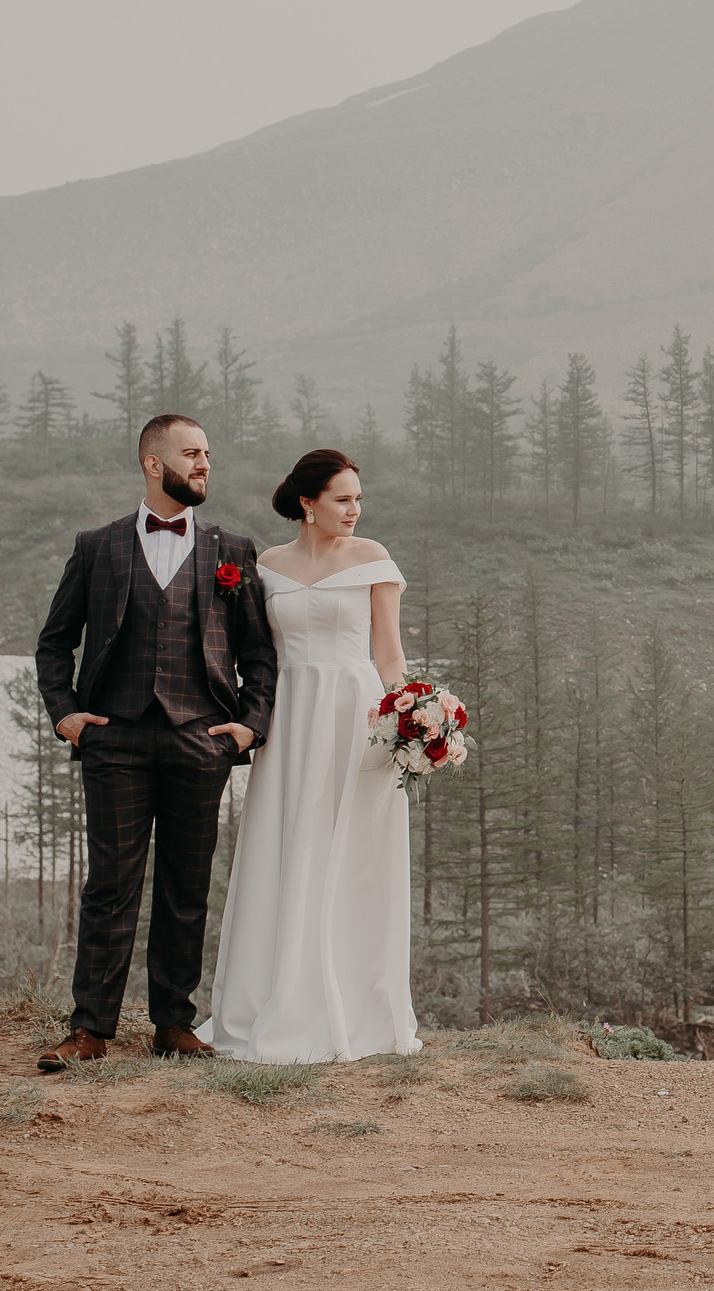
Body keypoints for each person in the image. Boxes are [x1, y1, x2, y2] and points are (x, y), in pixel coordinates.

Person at [32, 413, 276, 1071]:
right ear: (152, 462)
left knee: (185, 886)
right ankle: (90, 1029)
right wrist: (66, 714)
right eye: (191, 453)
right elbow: (55, 642)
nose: (204, 464)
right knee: (111, 885)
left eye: (207, 454)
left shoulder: (233, 550)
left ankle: (173, 1022)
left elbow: (259, 652)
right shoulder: (98, 546)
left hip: (202, 740)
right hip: (116, 740)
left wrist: (249, 724)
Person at [204, 447, 421, 1062]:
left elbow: (389, 654)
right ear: (308, 503)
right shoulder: (267, 565)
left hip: (357, 717)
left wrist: (412, 720)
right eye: (342, 499)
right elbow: (251, 651)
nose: (355, 510)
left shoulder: (372, 557)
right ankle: (276, 1000)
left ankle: (353, 1010)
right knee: (286, 844)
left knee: (354, 854)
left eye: (358, 499)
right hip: (291, 717)